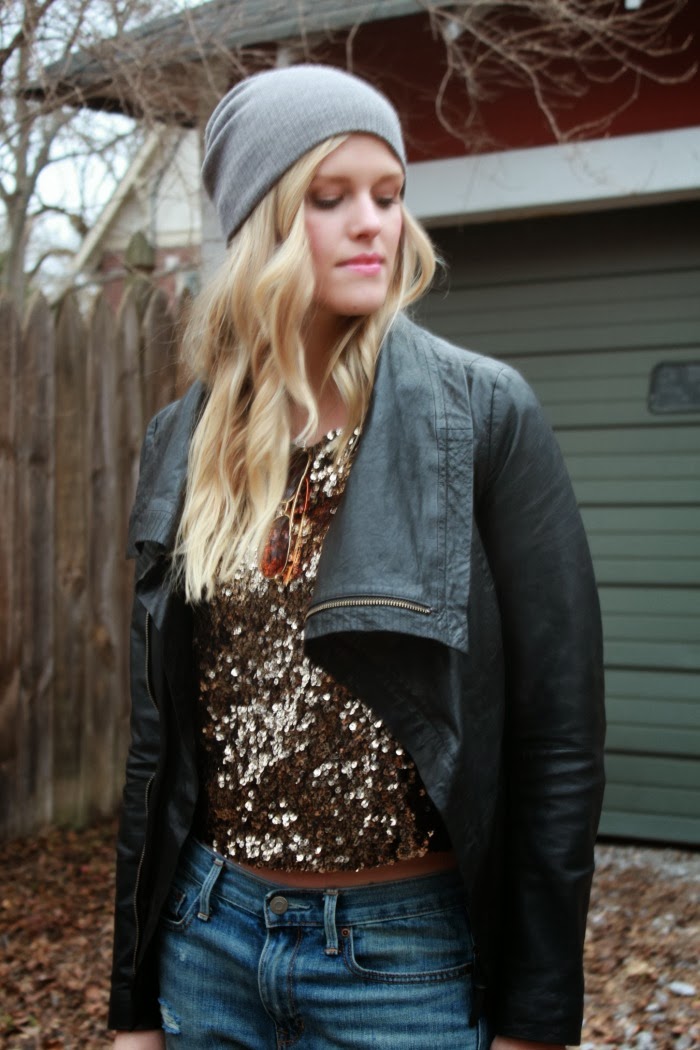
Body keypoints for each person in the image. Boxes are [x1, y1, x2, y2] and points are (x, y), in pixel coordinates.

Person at [109, 65, 605, 1050]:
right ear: (258, 223)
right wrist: (132, 1004)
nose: (373, 223)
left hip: (402, 959)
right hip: (207, 940)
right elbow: (154, 744)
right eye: (329, 198)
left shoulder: (480, 417)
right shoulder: (186, 439)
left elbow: (559, 739)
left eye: (388, 195)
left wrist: (537, 1018)